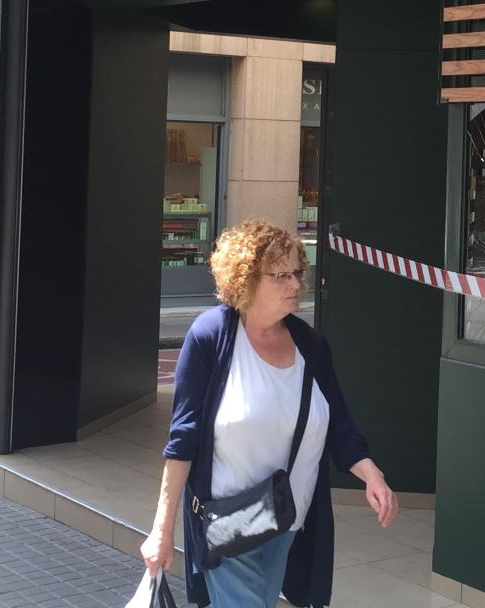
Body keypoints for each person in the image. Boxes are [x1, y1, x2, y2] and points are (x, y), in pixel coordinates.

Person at [141, 220, 398, 608]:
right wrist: (162, 529)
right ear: (246, 280)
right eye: (281, 276)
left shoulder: (311, 345)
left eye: (297, 272)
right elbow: (183, 441)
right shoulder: (211, 337)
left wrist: (372, 475)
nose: (295, 284)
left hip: (286, 520)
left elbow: (338, 425)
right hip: (227, 522)